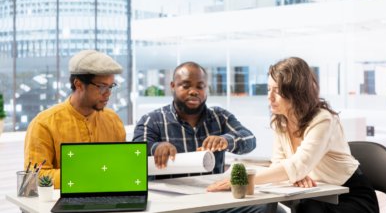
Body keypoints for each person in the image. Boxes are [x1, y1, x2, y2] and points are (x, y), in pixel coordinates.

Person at [208, 57, 379, 213]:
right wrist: (293, 175)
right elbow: (280, 165)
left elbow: (296, 166)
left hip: (350, 195)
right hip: (316, 192)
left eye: (277, 90)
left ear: (296, 91)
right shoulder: (281, 121)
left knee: (306, 208)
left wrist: (245, 180)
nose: (269, 97)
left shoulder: (323, 119)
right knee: (301, 206)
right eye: (268, 89)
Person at [24, 50, 126, 188]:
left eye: (111, 86)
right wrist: (86, 174)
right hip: (61, 203)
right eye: (101, 87)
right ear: (78, 85)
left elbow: (120, 166)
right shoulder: (44, 123)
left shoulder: (113, 120)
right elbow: (34, 177)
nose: (108, 93)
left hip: (108, 196)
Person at [133, 61, 256, 177]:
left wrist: (225, 140)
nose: (193, 92)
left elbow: (250, 138)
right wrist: (156, 147)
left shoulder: (219, 117)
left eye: (200, 87)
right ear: (173, 86)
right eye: (186, 86)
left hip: (213, 195)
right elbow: (135, 152)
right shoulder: (151, 120)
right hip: (169, 196)